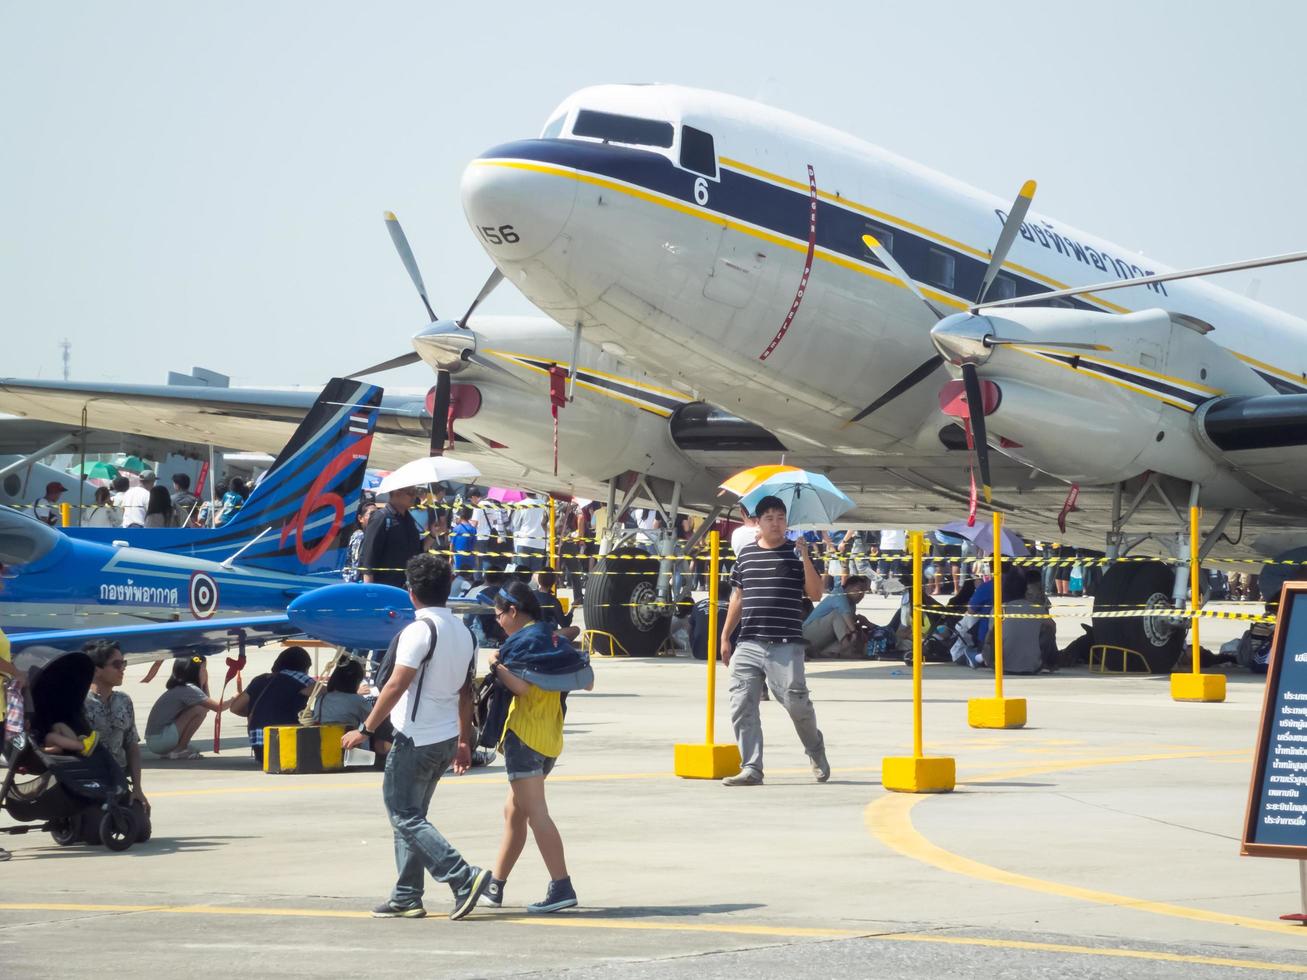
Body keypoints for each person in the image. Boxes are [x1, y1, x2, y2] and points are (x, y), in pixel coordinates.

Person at [340, 553, 491, 920]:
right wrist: (463, 741)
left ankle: (462, 876)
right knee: (412, 816)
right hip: (445, 738)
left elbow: (396, 683)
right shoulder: (464, 633)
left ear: (411, 593)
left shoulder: (419, 631)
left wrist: (366, 728)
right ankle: (407, 894)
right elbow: (467, 692)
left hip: (415, 737)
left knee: (404, 814)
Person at [484, 581, 591, 913]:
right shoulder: (552, 637)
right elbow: (582, 679)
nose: (497, 621)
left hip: (524, 734)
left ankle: (562, 886)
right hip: (550, 738)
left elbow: (522, 688)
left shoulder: (520, 643)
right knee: (513, 812)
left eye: (499, 614)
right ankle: (495, 886)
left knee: (537, 815)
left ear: (513, 611)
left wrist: (495, 666)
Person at [718, 495, 829, 787]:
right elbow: (737, 597)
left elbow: (816, 594)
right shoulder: (746, 555)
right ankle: (751, 767)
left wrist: (805, 557)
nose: (775, 524)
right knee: (742, 703)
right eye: (769, 518)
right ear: (758, 522)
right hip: (749, 641)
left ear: (787, 522)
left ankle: (815, 748)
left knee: (795, 703)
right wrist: (726, 635)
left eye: (780, 518)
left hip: (785, 643)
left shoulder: (796, 555)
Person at [83, 640, 149, 815]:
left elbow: (132, 746)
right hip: (88, 781)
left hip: (118, 780)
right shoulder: (79, 703)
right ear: (97, 670)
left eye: (123, 663)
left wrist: (137, 788)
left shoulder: (124, 701)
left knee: (140, 830)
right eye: (117, 664)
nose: (123, 669)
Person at [229, 647, 315, 766]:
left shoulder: (260, 680)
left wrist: (262, 710)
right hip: (286, 743)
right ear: (304, 666)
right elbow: (326, 692)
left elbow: (235, 708)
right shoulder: (300, 677)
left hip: (260, 748)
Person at [143, 656, 232, 759]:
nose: (206, 673)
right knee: (199, 709)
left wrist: (205, 684)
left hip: (156, 740)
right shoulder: (189, 689)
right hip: (160, 740)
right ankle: (180, 749)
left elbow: (206, 705)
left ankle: (175, 750)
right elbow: (217, 708)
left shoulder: (182, 688)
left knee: (194, 747)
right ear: (194, 672)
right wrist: (235, 698)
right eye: (203, 669)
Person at [359, 486, 424, 589]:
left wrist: (433, 534)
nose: (414, 496)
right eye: (411, 492)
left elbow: (417, 550)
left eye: (415, 492)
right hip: (384, 587)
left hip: (407, 587)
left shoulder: (409, 519)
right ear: (396, 492)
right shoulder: (380, 517)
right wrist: (369, 591)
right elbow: (369, 557)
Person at [803, 575, 872, 659]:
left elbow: (848, 624)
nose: (861, 595)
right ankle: (846, 647)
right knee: (838, 614)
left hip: (821, 640)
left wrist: (863, 623)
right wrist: (853, 632)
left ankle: (833, 651)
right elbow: (845, 616)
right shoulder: (839, 594)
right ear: (849, 587)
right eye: (859, 590)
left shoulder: (852, 604)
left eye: (864, 592)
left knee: (852, 625)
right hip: (808, 635)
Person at [533, 570, 580, 642]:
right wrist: (573, 608)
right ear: (553, 582)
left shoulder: (530, 595)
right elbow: (565, 624)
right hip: (546, 636)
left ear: (539, 580)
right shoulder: (553, 601)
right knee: (576, 629)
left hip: (530, 633)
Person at [511, 494, 548, 572]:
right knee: (536, 571)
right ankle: (535, 584)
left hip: (524, 541)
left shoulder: (521, 504)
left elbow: (515, 523)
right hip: (539, 542)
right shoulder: (545, 504)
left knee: (522, 571)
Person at [343, 503, 376, 582]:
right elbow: (356, 563)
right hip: (357, 582)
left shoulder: (370, 534)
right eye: (372, 514)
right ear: (360, 518)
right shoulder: (359, 535)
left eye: (377, 514)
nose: (375, 517)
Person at [450, 507, 478, 593]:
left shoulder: (456, 529)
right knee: (469, 577)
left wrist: (450, 556)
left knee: (458, 575)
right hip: (470, 556)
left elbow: (452, 544)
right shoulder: (473, 529)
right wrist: (476, 558)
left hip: (458, 557)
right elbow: (475, 545)